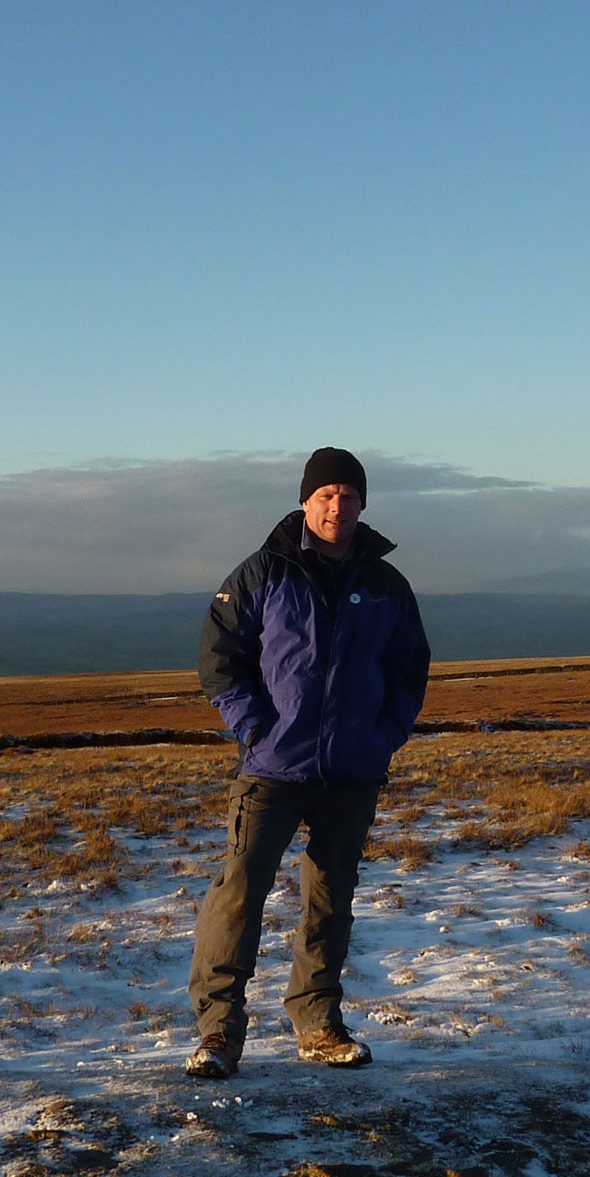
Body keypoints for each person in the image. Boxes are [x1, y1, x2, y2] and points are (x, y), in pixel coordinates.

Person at [186, 447, 430, 1079]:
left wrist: (384, 737)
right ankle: (218, 1034)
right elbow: (220, 657)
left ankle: (319, 1024)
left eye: (349, 496)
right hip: (272, 769)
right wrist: (254, 727)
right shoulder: (263, 572)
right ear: (305, 501)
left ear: (362, 505)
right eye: (326, 495)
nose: (337, 506)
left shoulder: (384, 585)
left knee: (330, 898)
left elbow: (410, 669)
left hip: (351, 772)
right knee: (238, 895)